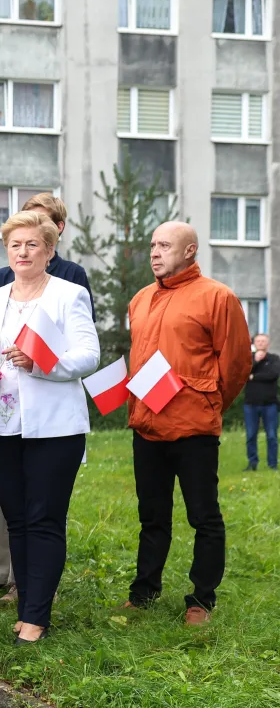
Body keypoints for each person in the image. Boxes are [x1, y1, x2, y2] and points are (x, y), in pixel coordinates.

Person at [0, 211, 99, 644]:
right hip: (1, 426)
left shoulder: (68, 294)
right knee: (17, 521)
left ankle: (37, 615)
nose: (22, 252)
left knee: (44, 520)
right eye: (15, 245)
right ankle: (26, 608)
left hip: (53, 428)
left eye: (32, 245)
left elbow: (88, 356)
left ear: (50, 250)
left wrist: (45, 365)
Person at [124, 221, 251, 625]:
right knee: (152, 516)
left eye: (165, 245)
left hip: (194, 427)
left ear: (190, 251)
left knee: (204, 517)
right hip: (146, 425)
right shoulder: (140, 299)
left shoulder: (218, 297)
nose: (155, 252)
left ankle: (201, 599)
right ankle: (144, 592)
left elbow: (235, 365)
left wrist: (208, 403)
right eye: (152, 245)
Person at [0, 193, 94, 304]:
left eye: (42, 220)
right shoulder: (2, 276)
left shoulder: (73, 273)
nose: (33, 224)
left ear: (59, 227)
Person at [244, 333, 278, 471]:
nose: (261, 343)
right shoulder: (248, 359)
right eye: (258, 341)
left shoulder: (274, 359)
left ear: (268, 344)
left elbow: (273, 375)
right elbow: (243, 374)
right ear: (254, 343)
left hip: (270, 404)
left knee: (271, 436)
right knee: (251, 435)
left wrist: (254, 376)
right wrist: (256, 362)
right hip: (250, 404)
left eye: (264, 341)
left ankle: (272, 464)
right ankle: (252, 463)